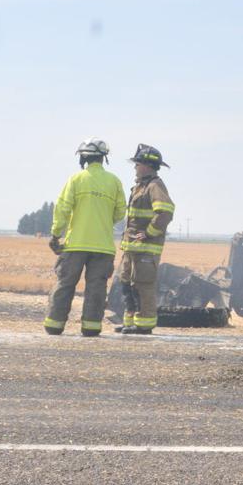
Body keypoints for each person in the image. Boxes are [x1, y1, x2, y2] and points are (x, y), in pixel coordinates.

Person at [44, 140, 126, 337]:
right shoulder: (114, 181)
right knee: (96, 288)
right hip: (103, 247)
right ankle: (91, 328)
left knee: (65, 284)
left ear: (83, 157)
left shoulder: (76, 179)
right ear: (103, 157)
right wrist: (104, 220)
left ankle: (54, 325)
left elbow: (62, 209)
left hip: (76, 245)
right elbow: (120, 212)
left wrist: (56, 235)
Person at [116, 144, 175, 334]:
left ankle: (144, 325)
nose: (135, 167)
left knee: (143, 285)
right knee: (127, 285)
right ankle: (130, 322)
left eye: (138, 163)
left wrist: (149, 233)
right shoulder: (140, 186)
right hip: (132, 248)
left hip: (146, 249)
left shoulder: (155, 186)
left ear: (147, 166)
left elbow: (165, 212)